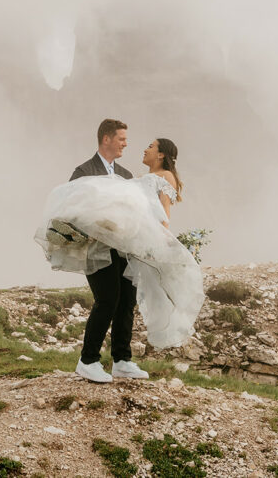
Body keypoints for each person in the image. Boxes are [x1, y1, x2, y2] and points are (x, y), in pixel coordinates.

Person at [34, 120, 203, 384]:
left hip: (125, 252)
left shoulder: (126, 175)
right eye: (122, 139)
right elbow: (69, 210)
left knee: (127, 301)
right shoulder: (84, 171)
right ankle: (87, 360)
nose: (126, 143)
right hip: (96, 250)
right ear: (106, 139)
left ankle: (122, 360)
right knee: (107, 299)